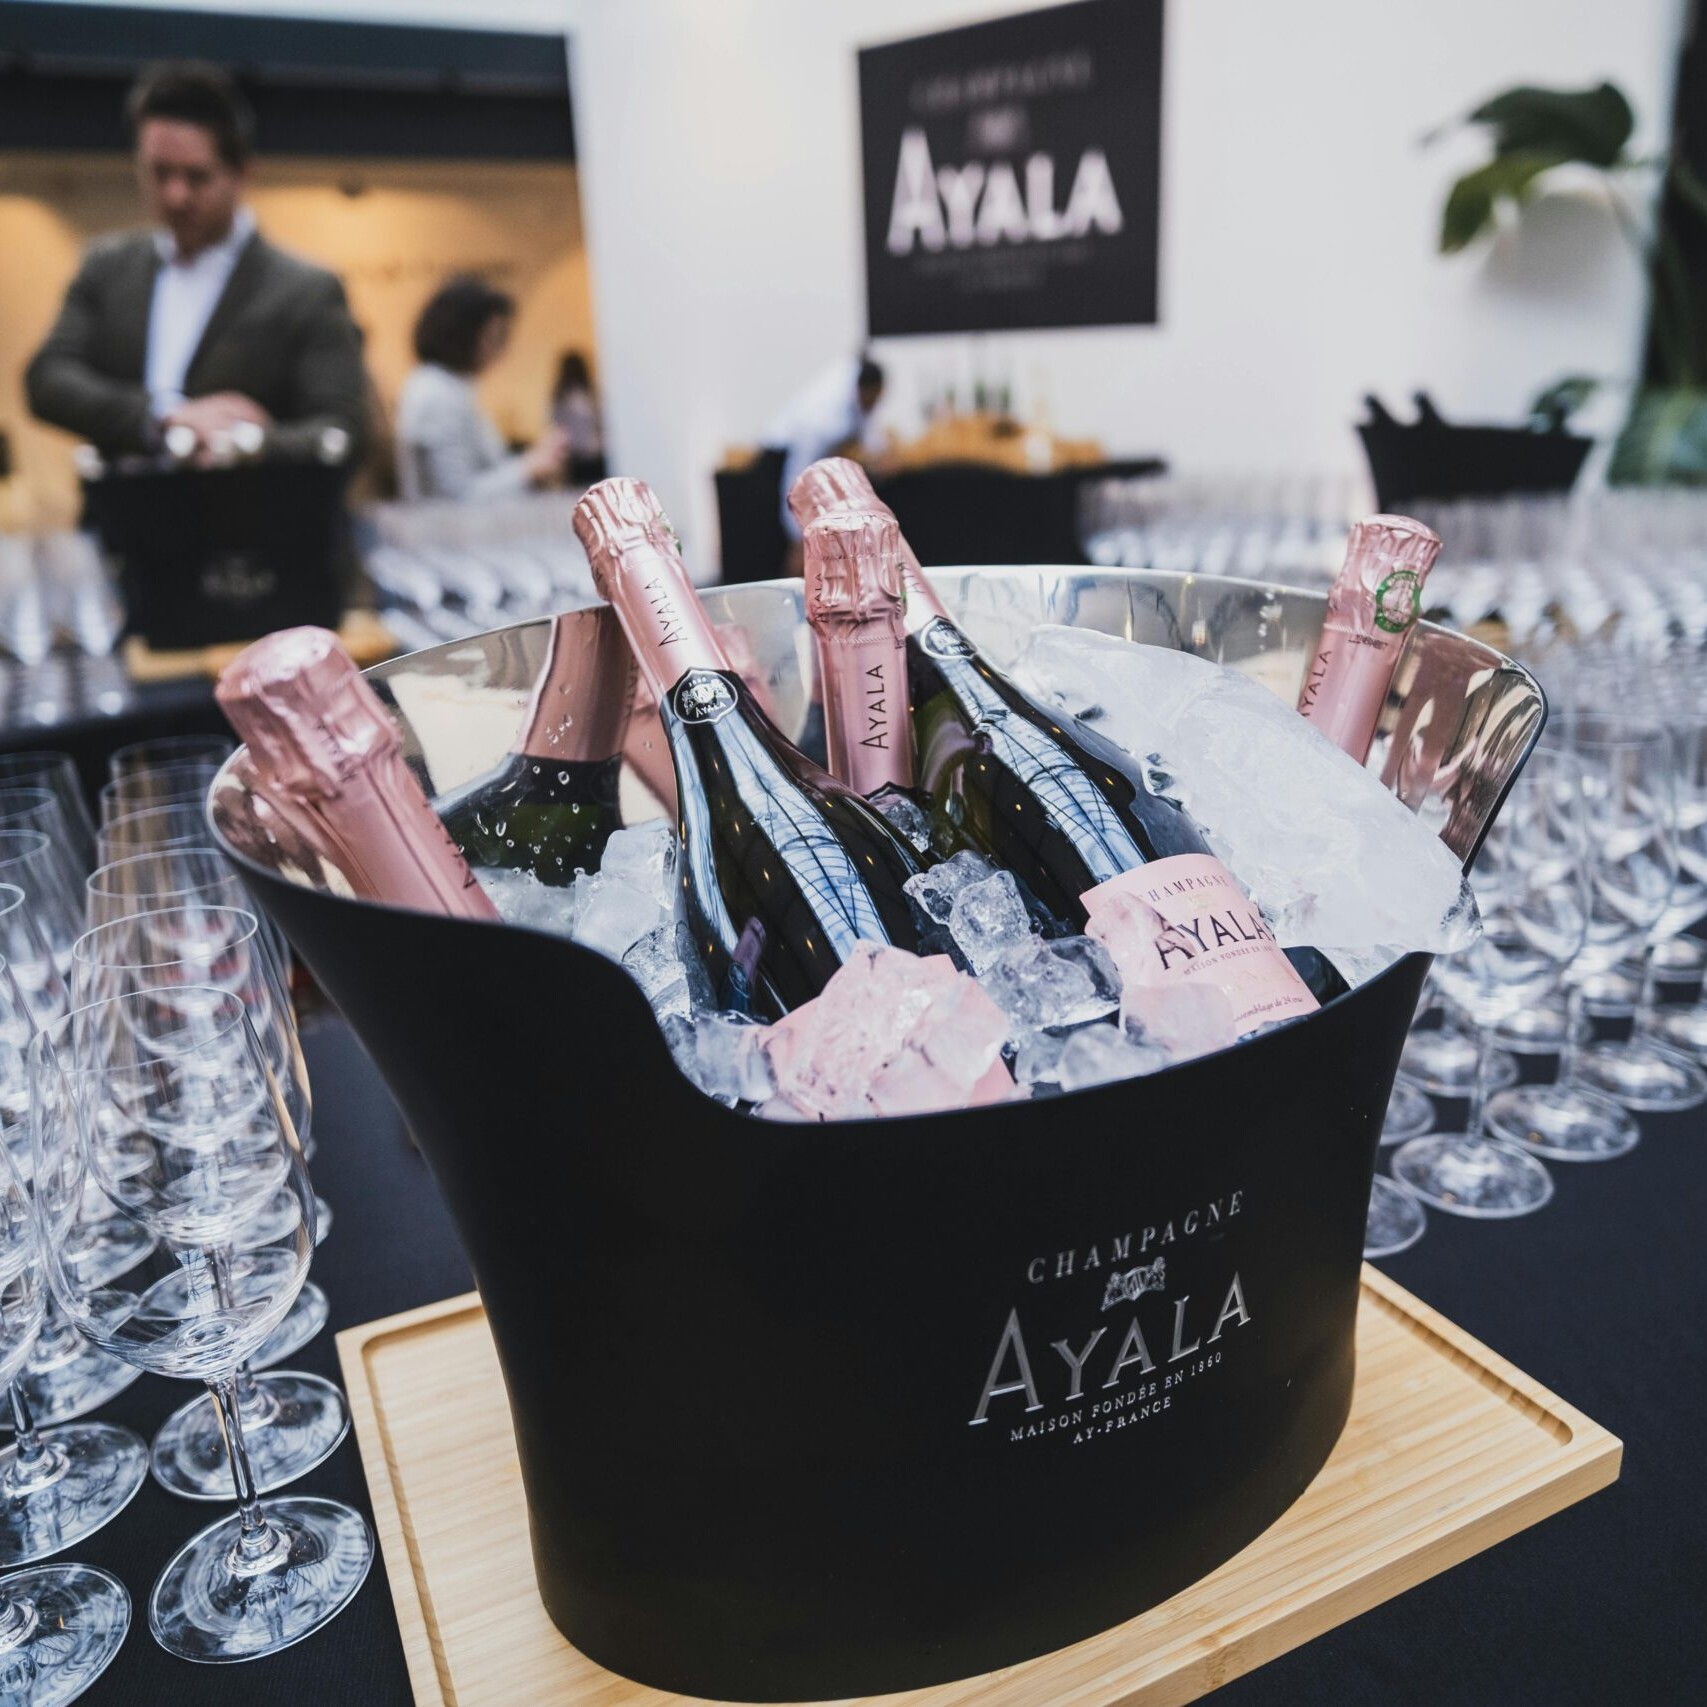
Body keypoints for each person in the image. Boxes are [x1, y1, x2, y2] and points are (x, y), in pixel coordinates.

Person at [25, 61, 365, 465]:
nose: (176, 196)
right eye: (159, 173)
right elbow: (47, 378)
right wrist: (163, 416)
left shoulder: (305, 290)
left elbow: (342, 429)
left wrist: (247, 442)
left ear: (242, 174)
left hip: (243, 504)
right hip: (124, 503)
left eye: (197, 177)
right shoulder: (106, 267)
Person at [397, 277, 568, 502]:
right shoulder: (435, 395)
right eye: (492, 338)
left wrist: (531, 465)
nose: (499, 350)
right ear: (462, 334)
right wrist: (528, 469)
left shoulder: (446, 388)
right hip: (453, 523)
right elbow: (457, 496)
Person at [760, 355, 889, 553]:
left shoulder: (858, 395)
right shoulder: (824, 421)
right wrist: (797, 533)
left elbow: (869, 435)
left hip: (805, 468)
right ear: (864, 391)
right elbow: (796, 477)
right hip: (779, 460)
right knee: (793, 552)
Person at [550, 350, 606, 486]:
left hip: (581, 456)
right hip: (588, 455)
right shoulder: (589, 396)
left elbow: (557, 426)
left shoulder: (561, 398)